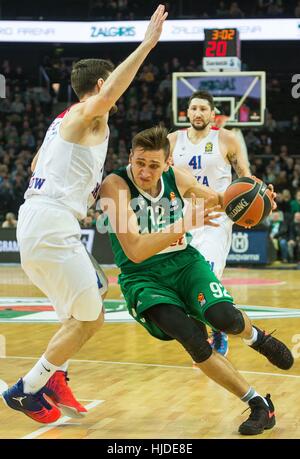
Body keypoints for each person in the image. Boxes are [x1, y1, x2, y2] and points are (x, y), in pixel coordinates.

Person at [2, 5, 168, 424]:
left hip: (42, 220)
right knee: (91, 318)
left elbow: (39, 163)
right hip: (51, 223)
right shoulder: (85, 116)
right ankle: (28, 387)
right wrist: (147, 44)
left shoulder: (62, 123)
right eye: (109, 85)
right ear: (98, 85)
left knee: (95, 289)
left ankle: (57, 374)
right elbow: (109, 95)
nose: (116, 93)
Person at [99, 126, 293, 435]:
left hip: (184, 263)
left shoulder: (175, 178)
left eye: (153, 165)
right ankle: (259, 404)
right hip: (143, 278)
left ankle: (258, 337)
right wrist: (184, 223)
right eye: (139, 163)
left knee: (224, 317)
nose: (145, 172)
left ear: (168, 162)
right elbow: (135, 250)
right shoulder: (115, 185)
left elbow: (221, 200)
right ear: (130, 158)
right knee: (193, 339)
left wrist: (258, 197)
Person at [169, 90, 251, 357]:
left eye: (203, 108)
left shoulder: (226, 138)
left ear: (213, 113)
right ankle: (200, 332)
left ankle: (218, 330)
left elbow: (245, 178)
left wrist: (257, 200)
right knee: (182, 282)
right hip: (183, 218)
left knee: (207, 276)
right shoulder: (172, 140)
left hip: (217, 216)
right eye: (193, 108)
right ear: (187, 112)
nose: (198, 113)